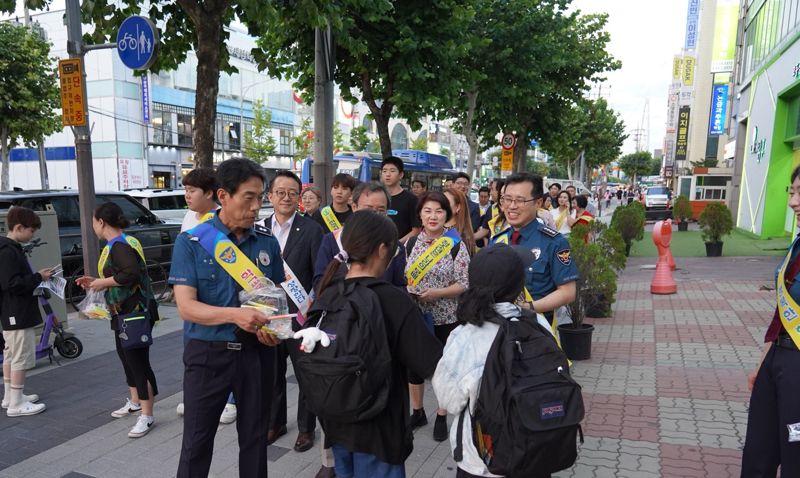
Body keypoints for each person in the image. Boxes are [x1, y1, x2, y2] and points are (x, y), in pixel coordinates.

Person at [168, 158, 285, 477]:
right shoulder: (191, 242)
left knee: (255, 441)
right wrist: (236, 315)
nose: (256, 206)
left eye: (260, 197)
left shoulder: (266, 243)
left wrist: (273, 328)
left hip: (257, 357)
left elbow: (275, 300)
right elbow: (187, 307)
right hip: (207, 356)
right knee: (196, 443)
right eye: (248, 197)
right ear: (223, 195)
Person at [314, 210, 443, 478]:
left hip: (337, 424)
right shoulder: (393, 300)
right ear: (383, 249)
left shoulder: (328, 293)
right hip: (380, 430)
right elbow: (429, 364)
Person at [433, 244, 540, 478]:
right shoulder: (538, 324)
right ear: (519, 286)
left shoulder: (465, 336)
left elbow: (448, 400)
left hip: (483, 460)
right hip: (536, 451)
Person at [76, 202, 158, 438]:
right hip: (124, 312)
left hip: (135, 312)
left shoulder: (119, 245)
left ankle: (147, 415)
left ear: (101, 222)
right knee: (127, 358)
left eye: (93, 221)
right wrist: (95, 280)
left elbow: (129, 273)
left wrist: (102, 282)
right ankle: (136, 402)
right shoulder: (118, 243)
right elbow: (122, 273)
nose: (93, 226)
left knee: (137, 361)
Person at [741, 165, 800, 477]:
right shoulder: (797, 245)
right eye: (792, 192)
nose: (793, 201)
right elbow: (783, 310)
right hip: (779, 356)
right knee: (758, 454)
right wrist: (764, 360)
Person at [261, 170, 324, 453]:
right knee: (271, 373)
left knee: (305, 374)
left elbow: (320, 273)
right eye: (281, 192)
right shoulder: (258, 228)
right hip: (270, 315)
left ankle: (306, 428)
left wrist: (310, 306)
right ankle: (275, 423)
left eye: (292, 193)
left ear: (299, 198)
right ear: (270, 196)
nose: (286, 197)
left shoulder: (312, 229)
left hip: (301, 315)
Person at [405, 191, 470, 442]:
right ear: (420, 214)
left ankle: (441, 414)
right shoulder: (411, 243)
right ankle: (418, 411)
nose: (433, 216)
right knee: (413, 367)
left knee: (443, 368)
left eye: (439, 211)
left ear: (448, 214)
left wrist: (437, 293)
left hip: (447, 316)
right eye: (428, 211)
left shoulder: (455, 244)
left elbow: (465, 283)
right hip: (416, 315)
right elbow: (402, 276)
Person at [176, 168, 238, 425]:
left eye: (192, 191)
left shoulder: (219, 222)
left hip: (218, 297)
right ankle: (201, 395)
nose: (187, 196)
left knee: (224, 348)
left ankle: (230, 400)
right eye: (186, 190)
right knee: (197, 350)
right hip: (193, 297)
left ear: (211, 193)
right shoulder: (189, 218)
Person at [490, 172, 578, 325]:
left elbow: (568, 292)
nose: (511, 206)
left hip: (536, 329)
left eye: (520, 200)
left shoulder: (554, 242)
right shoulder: (497, 240)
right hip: (498, 328)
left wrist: (528, 307)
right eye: (507, 199)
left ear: (538, 203)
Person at [0, 207, 51, 417]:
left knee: (10, 354)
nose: (33, 235)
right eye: (31, 230)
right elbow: (12, 284)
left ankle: (11, 397)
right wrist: (38, 277)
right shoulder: (9, 252)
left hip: (11, 311)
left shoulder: (8, 248)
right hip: (17, 311)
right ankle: (16, 405)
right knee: (19, 356)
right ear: (19, 227)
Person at [313, 182, 407, 291]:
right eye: (368, 209)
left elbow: (400, 287)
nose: (374, 215)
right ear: (354, 207)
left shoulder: (395, 247)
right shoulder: (331, 240)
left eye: (381, 211)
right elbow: (319, 283)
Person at [381, 156, 421, 244]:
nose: (388, 174)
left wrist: (397, 244)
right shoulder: (378, 197)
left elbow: (416, 230)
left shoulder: (411, 199)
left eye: (392, 171)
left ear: (401, 175)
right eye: (384, 171)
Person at [444, 188, 478, 255]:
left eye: (446, 202)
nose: (440, 206)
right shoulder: (437, 229)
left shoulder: (456, 235)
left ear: (457, 207)